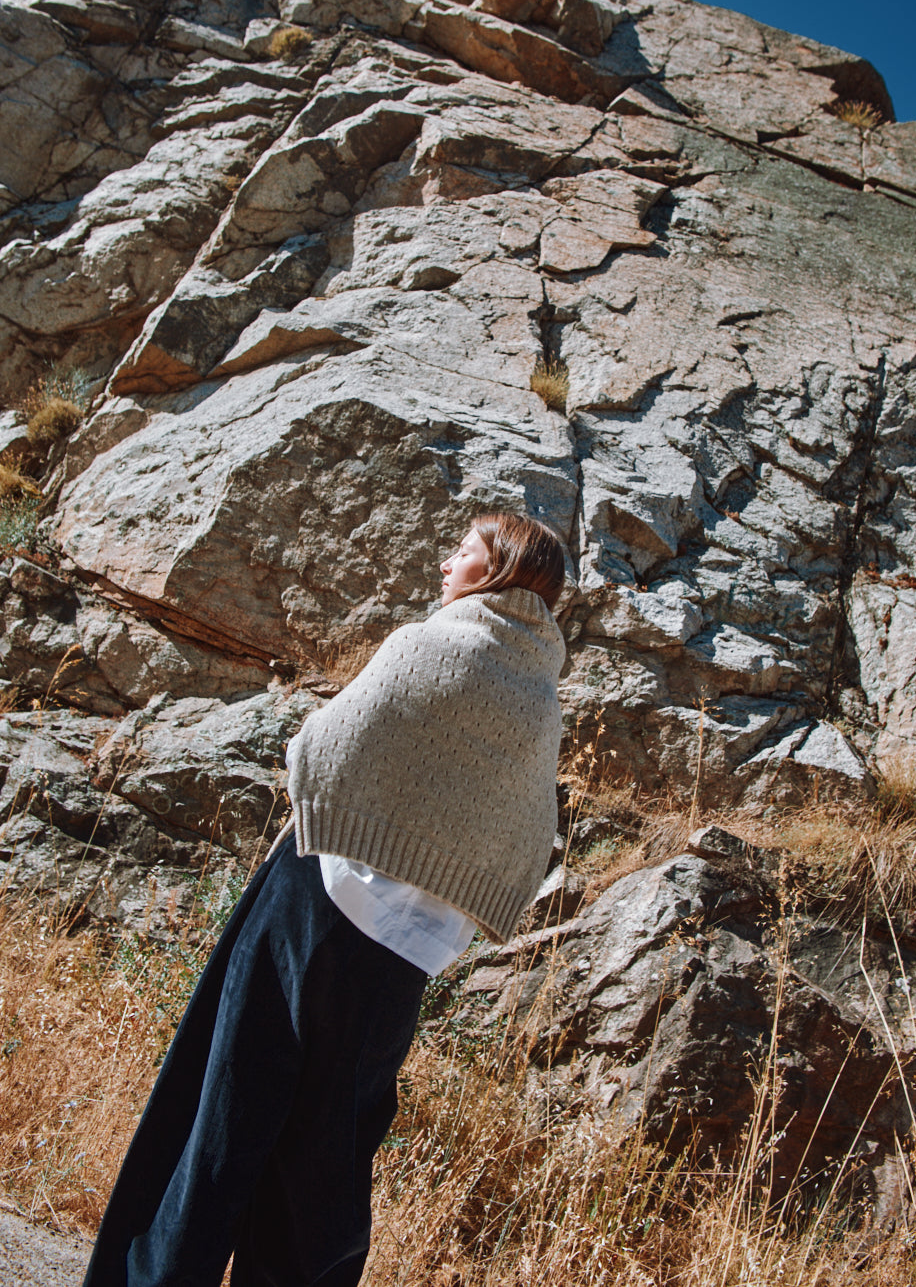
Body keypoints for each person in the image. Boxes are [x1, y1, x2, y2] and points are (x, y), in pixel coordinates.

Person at [82, 512, 566, 1287]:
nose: (446, 564)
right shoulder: (541, 696)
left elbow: (321, 750)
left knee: (223, 1112)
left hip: (316, 897)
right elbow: (529, 832)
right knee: (325, 1166)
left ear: (500, 570)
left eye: (463, 552)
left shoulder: (426, 643)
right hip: (404, 959)